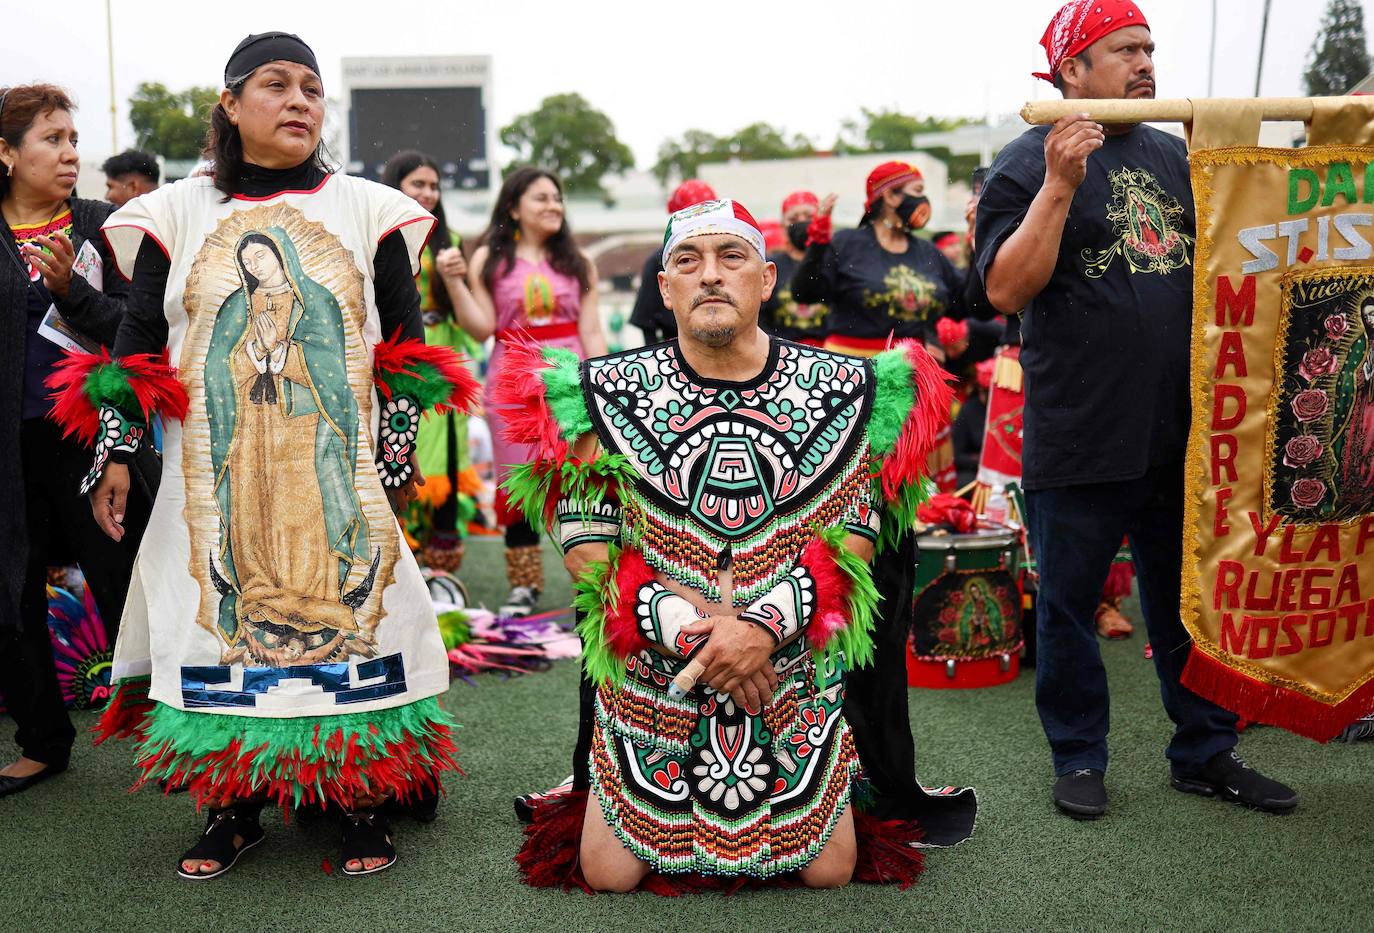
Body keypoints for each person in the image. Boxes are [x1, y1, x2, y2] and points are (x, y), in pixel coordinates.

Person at [57, 32, 475, 877]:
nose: (299, 102)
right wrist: (117, 454)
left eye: (312, 89)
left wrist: (392, 461)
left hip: (332, 468)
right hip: (225, 466)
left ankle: (358, 798)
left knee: (358, 637)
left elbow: (406, 349)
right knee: (218, 642)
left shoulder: (371, 208)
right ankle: (233, 807)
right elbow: (138, 346)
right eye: (276, 85)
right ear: (230, 104)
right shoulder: (174, 213)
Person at [498, 198, 962, 892]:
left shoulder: (853, 389)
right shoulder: (594, 393)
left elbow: (854, 546)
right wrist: (696, 635)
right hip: (658, 668)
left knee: (829, 869)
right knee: (609, 870)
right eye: (688, 260)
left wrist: (759, 631)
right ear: (665, 287)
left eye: (731, 257)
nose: (709, 275)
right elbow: (588, 551)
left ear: (767, 278)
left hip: (789, 667)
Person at [975, 0, 1297, 819]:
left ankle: (1207, 750)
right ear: (1071, 68)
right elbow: (1007, 288)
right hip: (1083, 429)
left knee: (1190, 605)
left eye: (1150, 47)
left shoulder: (1170, 150)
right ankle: (1080, 758)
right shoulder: (1023, 162)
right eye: (1124, 49)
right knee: (1071, 608)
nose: (1146, 62)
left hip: (1189, 430)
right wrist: (1058, 185)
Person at [0, 83, 151, 799]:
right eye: (50, 139)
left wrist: (73, 292)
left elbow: (138, 326)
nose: (69, 152)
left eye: (71, 137)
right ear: (5, 152)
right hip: (9, 449)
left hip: (97, 442)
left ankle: (167, 733)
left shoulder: (104, 225)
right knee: (13, 590)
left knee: (125, 582)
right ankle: (41, 741)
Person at [437, 166, 605, 617]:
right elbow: (483, 326)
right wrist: (454, 282)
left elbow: (591, 328)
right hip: (512, 382)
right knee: (520, 486)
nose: (553, 206)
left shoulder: (579, 261)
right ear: (513, 207)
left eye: (557, 198)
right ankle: (524, 587)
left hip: (570, 381)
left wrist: (601, 384)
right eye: (541, 198)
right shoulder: (489, 261)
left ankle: (591, 580)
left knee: (583, 482)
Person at [381, 149, 481, 572]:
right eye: (417, 184)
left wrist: (456, 278)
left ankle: (441, 576)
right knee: (397, 445)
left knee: (444, 459)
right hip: (397, 357)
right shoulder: (379, 234)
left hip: (441, 360)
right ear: (395, 187)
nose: (428, 193)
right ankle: (401, 564)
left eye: (434, 186)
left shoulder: (451, 244)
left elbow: (478, 325)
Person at [792, 160, 965, 360]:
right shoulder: (847, 243)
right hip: (854, 369)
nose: (923, 199)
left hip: (911, 372)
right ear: (890, 196)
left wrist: (978, 244)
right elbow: (804, 293)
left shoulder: (928, 251)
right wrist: (818, 242)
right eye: (917, 191)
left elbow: (964, 304)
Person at [628, 178, 715, 345]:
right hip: (677, 350)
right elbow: (647, 319)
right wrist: (656, 359)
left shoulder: (725, 254)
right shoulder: (660, 261)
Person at [760, 189, 830, 346]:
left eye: (809, 216)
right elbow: (759, 318)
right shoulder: (770, 266)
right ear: (783, 225)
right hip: (782, 352)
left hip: (833, 352)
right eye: (794, 218)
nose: (801, 221)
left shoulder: (834, 261)